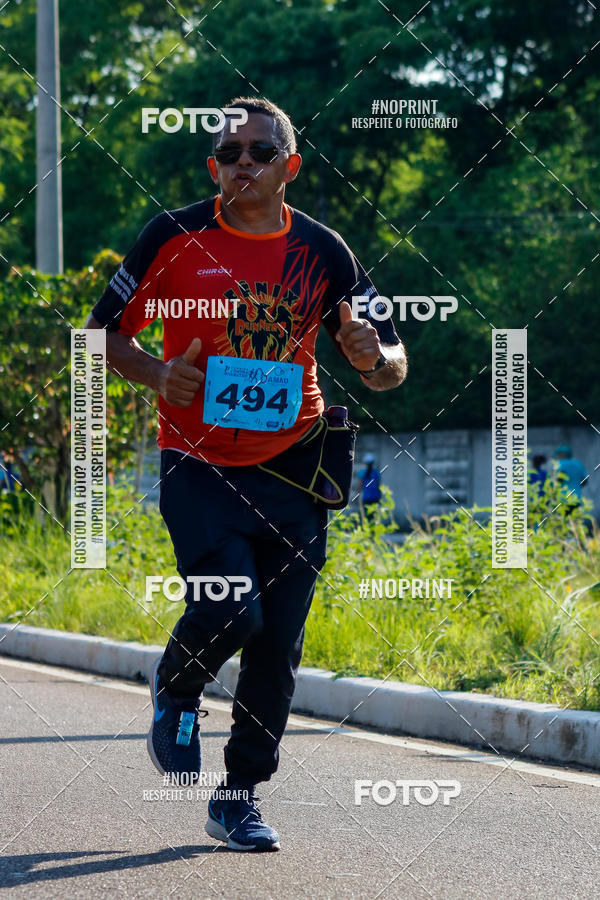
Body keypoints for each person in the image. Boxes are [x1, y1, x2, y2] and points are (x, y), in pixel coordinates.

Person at [85, 96, 407, 852]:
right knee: (232, 611)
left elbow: (391, 361)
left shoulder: (326, 252)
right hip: (198, 464)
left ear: (289, 166)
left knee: (278, 646)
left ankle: (237, 797)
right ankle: (178, 685)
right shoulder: (173, 236)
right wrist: (155, 371)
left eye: (259, 152)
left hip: (297, 466)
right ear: (213, 166)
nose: (242, 165)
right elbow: (98, 336)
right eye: (229, 153)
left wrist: (372, 358)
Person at [554, 444, 587, 513]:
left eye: (559, 454)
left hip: (563, 499)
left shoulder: (560, 463)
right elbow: (585, 480)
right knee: (575, 521)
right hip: (576, 498)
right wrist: (576, 486)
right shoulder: (578, 464)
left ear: (562, 454)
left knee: (562, 521)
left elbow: (558, 479)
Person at [358, 452, 382, 519]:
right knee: (374, 517)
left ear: (365, 463)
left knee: (367, 516)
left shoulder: (362, 472)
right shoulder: (377, 473)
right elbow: (379, 486)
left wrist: (359, 496)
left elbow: (360, 487)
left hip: (366, 498)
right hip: (376, 498)